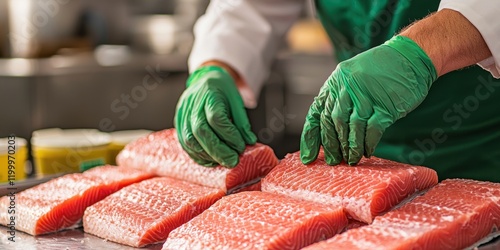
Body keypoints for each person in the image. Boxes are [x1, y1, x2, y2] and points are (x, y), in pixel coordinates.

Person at [174, 0, 500, 182]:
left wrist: (420, 51)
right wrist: (216, 64)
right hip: (370, 157)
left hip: (487, 148)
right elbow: (251, 7)